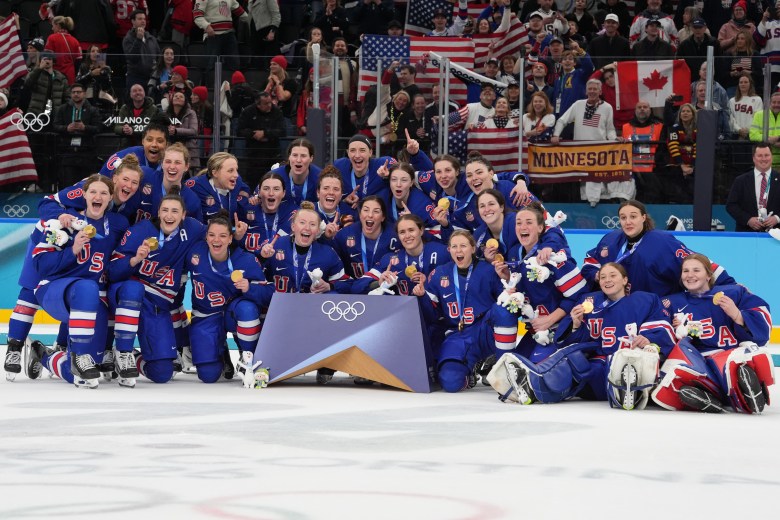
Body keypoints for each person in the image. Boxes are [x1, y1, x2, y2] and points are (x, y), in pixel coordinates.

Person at [6, 159, 143, 381]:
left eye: (134, 181)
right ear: (114, 179)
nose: (128, 184)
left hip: (83, 284)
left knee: (87, 293)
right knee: (31, 292)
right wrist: (60, 221)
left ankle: (56, 351)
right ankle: (15, 346)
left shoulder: (119, 220)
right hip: (49, 248)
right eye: (124, 179)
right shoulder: (73, 210)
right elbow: (46, 204)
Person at [493, 262, 675, 408]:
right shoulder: (590, 301)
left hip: (630, 360)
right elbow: (575, 342)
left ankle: (627, 389)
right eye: (603, 277)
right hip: (600, 363)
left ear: (625, 280)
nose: (607, 280)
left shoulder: (645, 300)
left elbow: (661, 327)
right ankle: (532, 386)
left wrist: (649, 339)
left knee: (629, 362)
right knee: (574, 364)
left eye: (613, 275)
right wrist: (576, 324)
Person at [27, 175, 129, 388]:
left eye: (103, 193)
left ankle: (43, 354)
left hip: (92, 300)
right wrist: (72, 250)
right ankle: (79, 355)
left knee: (84, 371)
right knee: (86, 287)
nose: (97, 197)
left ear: (111, 197)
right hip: (55, 291)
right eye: (93, 192)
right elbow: (41, 264)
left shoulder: (118, 225)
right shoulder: (63, 222)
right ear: (83, 195)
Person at [108, 188, 209, 385]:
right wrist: (136, 258)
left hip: (156, 307)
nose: (169, 216)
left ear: (184, 215)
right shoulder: (139, 232)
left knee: (162, 373)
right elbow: (112, 272)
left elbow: (217, 237)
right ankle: (123, 353)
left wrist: (237, 236)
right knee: (134, 289)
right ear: (158, 212)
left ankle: (131, 359)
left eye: (174, 211)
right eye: (165, 210)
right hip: (128, 297)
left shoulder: (193, 229)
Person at [651, 254, 773, 414]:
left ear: (709, 275)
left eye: (696, 270)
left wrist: (737, 315)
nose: (690, 275)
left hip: (728, 355)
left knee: (742, 357)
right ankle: (714, 393)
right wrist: (675, 330)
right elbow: (658, 328)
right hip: (697, 360)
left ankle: (735, 384)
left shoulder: (734, 292)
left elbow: (762, 319)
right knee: (677, 369)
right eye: (685, 271)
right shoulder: (671, 302)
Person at [412, 230, 518, 392]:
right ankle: (472, 371)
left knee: (503, 309)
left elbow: (507, 304)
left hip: (484, 330)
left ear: (473, 248)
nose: (458, 250)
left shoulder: (488, 270)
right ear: (449, 250)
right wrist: (422, 297)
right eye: (454, 246)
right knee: (450, 382)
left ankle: (505, 365)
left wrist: (507, 282)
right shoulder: (439, 273)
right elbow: (432, 316)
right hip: (457, 335)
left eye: (463, 246)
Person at [185, 211, 274, 383]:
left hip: (232, 314)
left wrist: (249, 287)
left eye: (222, 236)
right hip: (206, 316)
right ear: (206, 237)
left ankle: (248, 357)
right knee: (208, 376)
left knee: (247, 309)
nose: (216, 240)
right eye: (211, 235)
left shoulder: (245, 260)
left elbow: (269, 293)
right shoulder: (194, 253)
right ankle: (221, 351)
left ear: (231, 239)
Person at [493, 203, 586, 361]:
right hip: (535, 330)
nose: (523, 226)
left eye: (529, 222)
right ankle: (501, 361)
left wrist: (550, 319)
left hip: (560, 327)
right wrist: (508, 277)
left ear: (541, 228)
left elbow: (580, 295)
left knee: (538, 370)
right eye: (519, 223)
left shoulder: (552, 255)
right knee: (514, 367)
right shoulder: (514, 253)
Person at [582, 200, 735, 296]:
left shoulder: (663, 242)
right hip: (620, 307)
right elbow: (590, 261)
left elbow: (697, 263)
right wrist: (597, 275)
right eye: (623, 218)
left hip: (655, 309)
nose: (628, 222)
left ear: (643, 217)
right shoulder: (610, 240)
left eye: (633, 216)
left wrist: (730, 285)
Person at [353, 213, 449, 296]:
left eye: (411, 230)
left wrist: (429, 282)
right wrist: (379, 282)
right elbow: (356, 287)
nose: (407, 236)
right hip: (401, 314)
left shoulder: (441, 252)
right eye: (402, 232)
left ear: (421, 231)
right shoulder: (390, 260)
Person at [333, 195, 399, 279]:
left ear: (383, 217)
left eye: (376, 211)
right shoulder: (344, 235)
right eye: (366, 210)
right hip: (352, 288)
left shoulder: (396, 235)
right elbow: (334, 267)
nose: (370, 215)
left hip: (385, 288)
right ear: (360, 214)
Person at [52, 82, 104, 187]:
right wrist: (66, 128)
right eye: (74, 92)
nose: (76, 94)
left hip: (86, 152)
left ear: (84, 94)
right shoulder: (63, 109)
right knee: (67, 184)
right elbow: (55, 126)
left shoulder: (92, 110)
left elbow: (99, 128)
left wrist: (85, 128)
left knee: (86, 185)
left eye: (79, 92)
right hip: (68, 151)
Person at [726, 142, 780, 231]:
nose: (763, 159)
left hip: (776, 236)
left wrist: (777, 218)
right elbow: (731, 205)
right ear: (753, 158)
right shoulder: (741, 180)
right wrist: (748, 219)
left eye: (767, 155)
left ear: (772, 157)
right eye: (760, 156)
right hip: (747, 234)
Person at [237, 91, 286, 187]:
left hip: (272, 154)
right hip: (254, 155)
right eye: (266, 103)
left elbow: (282, 131)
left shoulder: (276, 112)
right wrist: (253, 134)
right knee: (253, 182)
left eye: (270, 102)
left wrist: (265, 134)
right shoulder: (248, 112)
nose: (269, 105)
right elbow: (239, 131)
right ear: (258, 105)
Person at [185, 152, 248, 223]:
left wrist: (253, 199)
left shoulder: (237, 181)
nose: (236, 175)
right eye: (230, 171)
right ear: (215, 173)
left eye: (236, 170)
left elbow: (246, 191)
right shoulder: (195, 185)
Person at [243, 172, 296, 256]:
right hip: (254, 264)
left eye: (276, 189)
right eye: (266, 188)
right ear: (259, 192)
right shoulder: (247, 212)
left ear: (283, 193)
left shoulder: (292, 213)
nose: (271, 193)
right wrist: (237, 236)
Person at [384, 162, 442, 239]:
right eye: (394, 180)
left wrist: (414, 224)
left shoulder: (421, 205)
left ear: (411, 182)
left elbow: (438, 234)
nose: (398, 184)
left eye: (404, 180)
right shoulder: (384, 197)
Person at [623, 100, 665, 203]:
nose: (642, 109)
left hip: (654, 171)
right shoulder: (625, 127)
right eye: (639, 107)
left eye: (645, 107)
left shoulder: (660, 126)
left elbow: (663, 150)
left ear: (650, 110)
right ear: (635, 110)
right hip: (632, 171)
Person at [193, 0, 248, 73]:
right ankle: (210, 83)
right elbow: (197, 15)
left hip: (229, 34)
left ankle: (234, 84)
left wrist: (252, 21)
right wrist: (206, 26)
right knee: (211, 66)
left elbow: (242, 13)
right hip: (213, 36)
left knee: (234, 65)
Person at [100, 121, 168, 177]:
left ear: (167, 144)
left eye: (160, 141)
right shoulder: (125, 156)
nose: (154, 144)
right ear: (143, 141)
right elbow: (100, 181)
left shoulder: (173, 162)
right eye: (149, 140)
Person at [664, 102, 697, 203]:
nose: (685, 113)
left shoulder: (698, 128)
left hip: (694, 165)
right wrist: (682, 165)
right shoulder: (674, 128)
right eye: (683, 111)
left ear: (693, 114)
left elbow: (699, 147)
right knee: (677, 190)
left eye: (688, 111)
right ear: (679, 114)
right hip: (677, 164)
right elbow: (673, 146)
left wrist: (691, 166)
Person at [122, 9, 161, 93]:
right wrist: (138, 40)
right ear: (133, 21)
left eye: (144, 19)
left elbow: (159, 56)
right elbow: (132, 58)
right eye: (140, 19)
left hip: (151, 77)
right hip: (135, 78)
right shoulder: (128, 39)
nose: (143, 21)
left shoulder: (151, 38)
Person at [165, 91, 199, 171]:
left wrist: (176, 130)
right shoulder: (166, 113)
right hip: (170, 147)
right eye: (175, 96)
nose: (177, 97)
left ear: (185, 101)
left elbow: (193, 131)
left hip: (187, 148)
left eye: (181, 96)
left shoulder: (191, 113)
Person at [44, 16, 81, 85]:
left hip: (56, 75)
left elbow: (47, 59)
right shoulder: (75, 41)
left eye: (53, 26)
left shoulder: (52, 38)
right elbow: (78, 61)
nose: (52, 28)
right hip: (70, 76)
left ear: (57, 25)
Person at [749, 90, 780, 168]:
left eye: (779, 102)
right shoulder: (759, 115)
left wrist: (777, 138)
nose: (776, 104)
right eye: (774, 102)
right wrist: (769, 140)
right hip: (764, 163)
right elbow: (753, 135)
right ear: (770, 103)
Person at [730, 75, 763, 142]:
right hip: (736, 135)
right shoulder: (732, 101)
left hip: (752, 135)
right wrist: (739, 130)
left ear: (750, 84)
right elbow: (731, 118)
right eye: (741, 82)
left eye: (745, 82)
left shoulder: (757, 99)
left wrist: (747, 131)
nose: (743, 84)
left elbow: (758, 118)